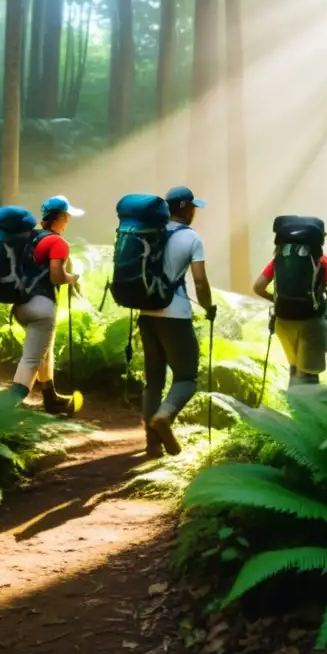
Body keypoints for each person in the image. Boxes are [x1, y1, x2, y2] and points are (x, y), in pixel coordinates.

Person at [139, 186, 216, 458]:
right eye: (193, 207)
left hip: (146, 313)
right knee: (186, 377)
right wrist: (208, 306)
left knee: (154, 380)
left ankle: (152, 444)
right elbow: (200, 281)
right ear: (186, 208)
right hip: (176, 315)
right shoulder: (191, 238)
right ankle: (164, 416)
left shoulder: (149, 233)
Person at [9, 195, 83, 414]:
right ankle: (5, 410)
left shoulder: (28, 237)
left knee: (44, 350)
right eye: (67, 216)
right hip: (41, 307)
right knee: (31, 359)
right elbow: (56, 277)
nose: (68, 220)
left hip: (21, 306)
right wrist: (71, 278)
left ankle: (51, 398)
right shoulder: (57, 242)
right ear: (59, 217)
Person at [252, 220, 327, 387]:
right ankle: (308, 410)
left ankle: (292, 406)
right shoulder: (323, 261)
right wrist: (326, 295)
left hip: (284, 321)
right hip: (311, 322)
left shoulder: (279, 259)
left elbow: (258, 287)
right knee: (308, 376)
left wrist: (277, 299)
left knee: (294, 370)